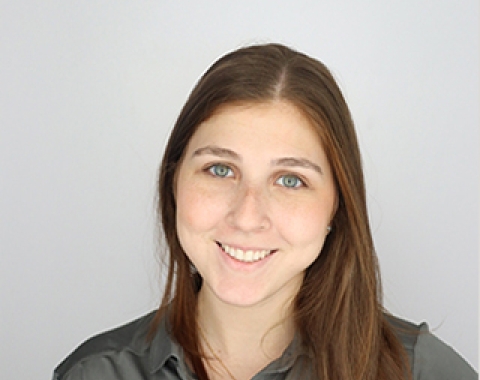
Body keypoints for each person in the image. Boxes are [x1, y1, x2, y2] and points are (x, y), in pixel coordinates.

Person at [53, 43, 477, 380]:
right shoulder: (95, 373)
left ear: (337, 206)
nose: (247, 216)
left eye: (290, 180)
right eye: (220, 170)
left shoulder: (418, 372)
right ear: (174, 183)